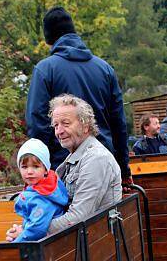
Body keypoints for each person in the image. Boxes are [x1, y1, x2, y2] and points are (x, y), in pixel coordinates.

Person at [26, 6, 132, 189]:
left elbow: (37, 125)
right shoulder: (105, 69)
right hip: (104, 165)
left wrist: (40, 172)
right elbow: (118, 124)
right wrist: (123, 169)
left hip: (63, 170)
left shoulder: (45, 70)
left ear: (49, 40)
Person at [7, 95, 122, 241]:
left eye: (65, 124)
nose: (59, 131)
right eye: (55, 125)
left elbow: (78, 217)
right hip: (77, 242)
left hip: (96, 244)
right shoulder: (73, 157)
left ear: (85, 125)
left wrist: (27, 232)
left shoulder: (96, 159)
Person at [7, 138, 68, 243]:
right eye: (24, 167)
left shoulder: (43, 196)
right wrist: (20, 230)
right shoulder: (39, 187)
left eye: (35, 166)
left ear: (45, 169)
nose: (29, 171)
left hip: (46, 244)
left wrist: (16, 243)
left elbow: (37, 229)